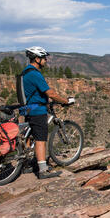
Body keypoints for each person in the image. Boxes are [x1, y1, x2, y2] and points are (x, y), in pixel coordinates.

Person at [21, 46, 75, 179]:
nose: (45, 60)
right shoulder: (35, 74)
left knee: (30, 137)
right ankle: (43, 170)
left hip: (28, 109)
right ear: (37, 59)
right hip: (37, 110)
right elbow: (50, 93)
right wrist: (64, 101)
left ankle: (27, 165)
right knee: (40, 139)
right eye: (44, 58)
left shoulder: (25, 72)